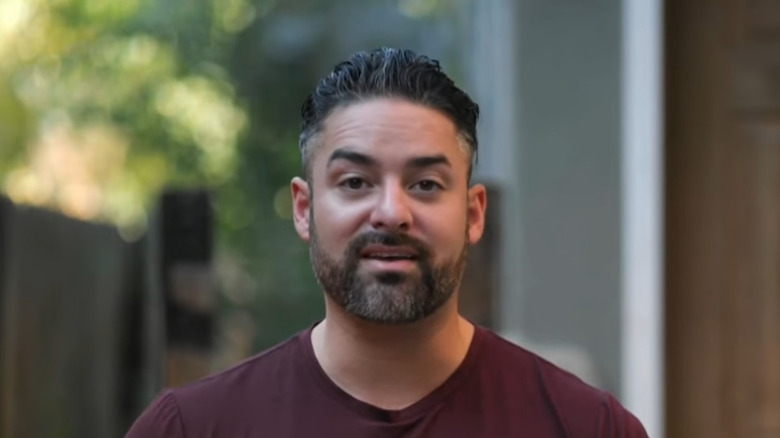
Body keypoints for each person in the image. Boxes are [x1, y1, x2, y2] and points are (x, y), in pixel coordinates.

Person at [126, 47, 649, 437]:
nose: (392, 213)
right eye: (355, 182)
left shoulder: (587, 429)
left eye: (425, 184)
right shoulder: (190, 429)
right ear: (305, 209)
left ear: (472, 214)